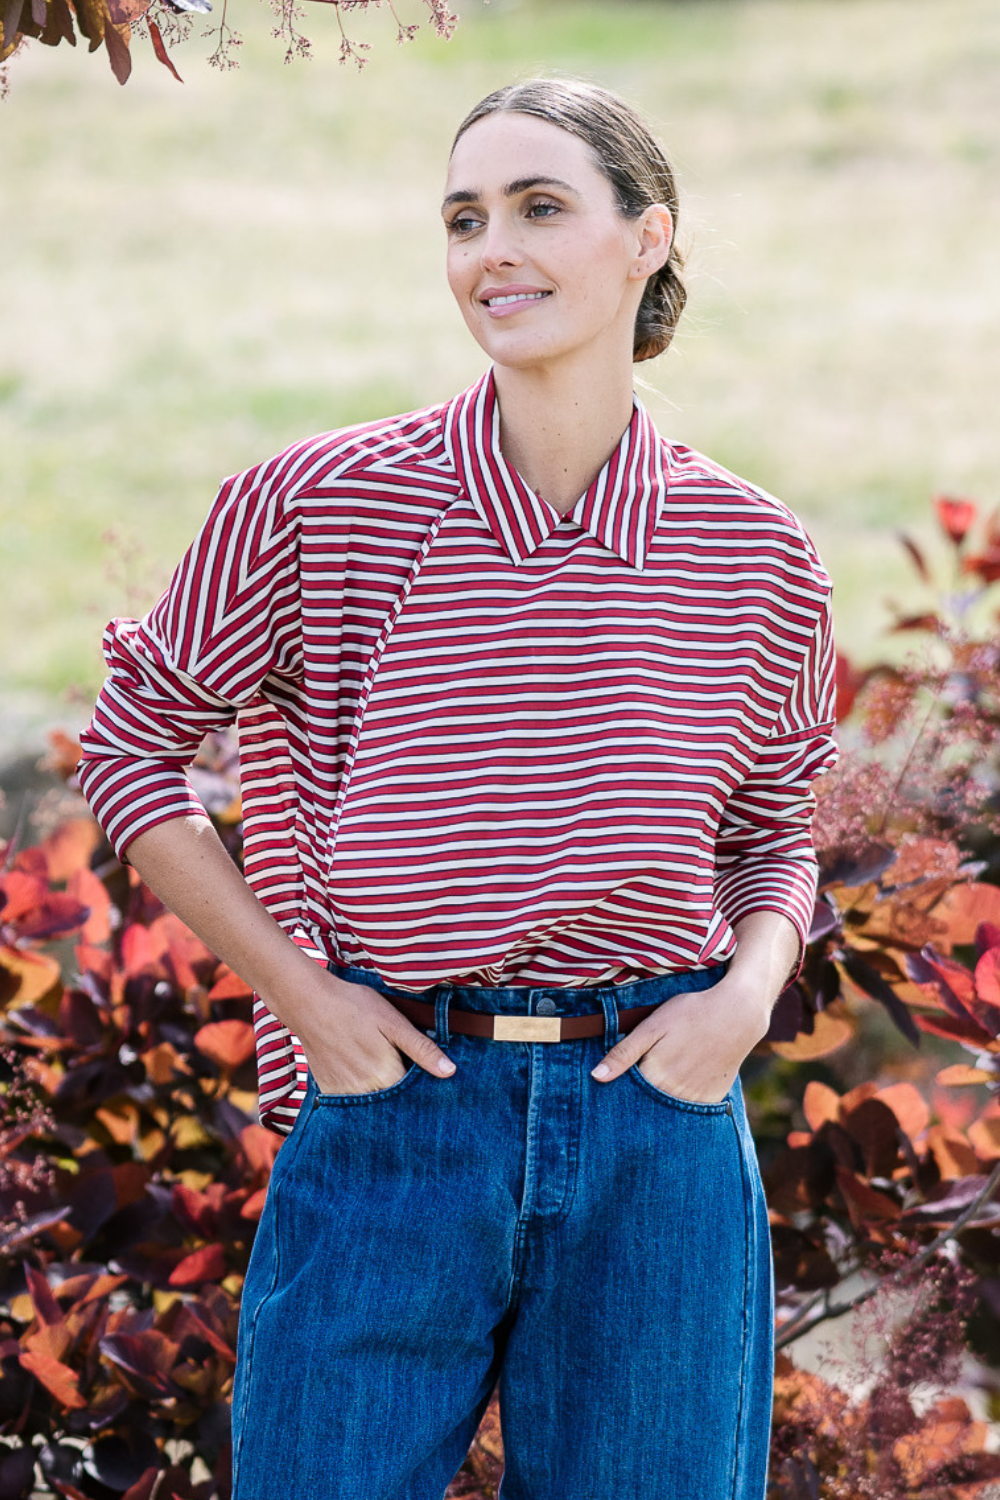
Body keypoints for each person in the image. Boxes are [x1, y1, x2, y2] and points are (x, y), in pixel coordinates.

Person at [77, 76, 839, 1500]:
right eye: (463, 217)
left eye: (541, 208)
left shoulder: (759, 553)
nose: (493, 249)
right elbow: (131, 750)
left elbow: (770, 828)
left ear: (647, 238)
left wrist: (741, 1007)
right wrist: (305, 996)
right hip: (393, 1105)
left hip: (658, 1129)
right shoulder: (316, 503)